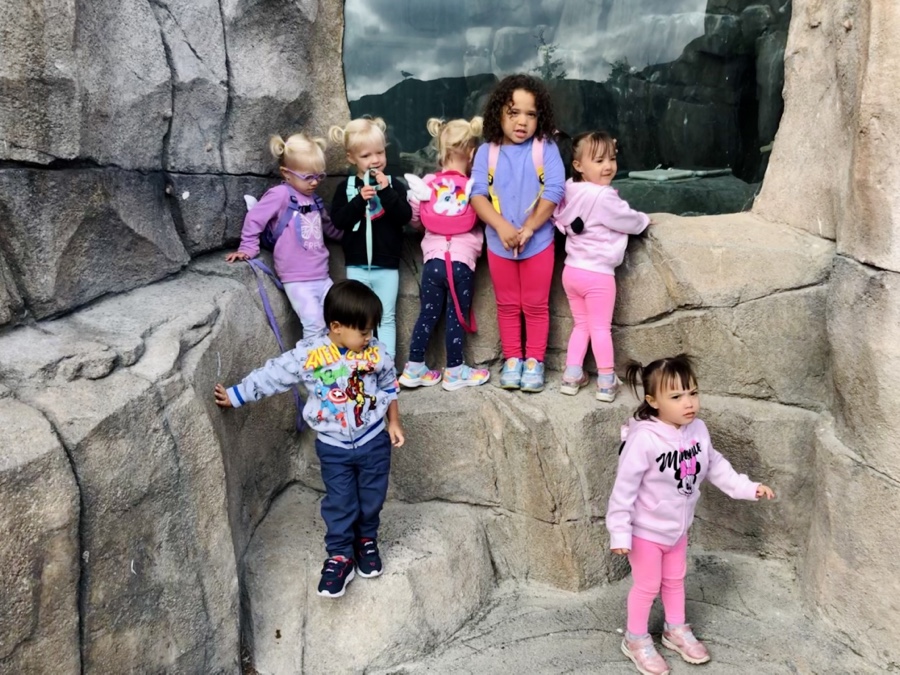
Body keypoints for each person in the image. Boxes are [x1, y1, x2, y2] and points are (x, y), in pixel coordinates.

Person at [214, 280, 405, 599]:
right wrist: (237, 395)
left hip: (373, 441)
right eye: (363, 331)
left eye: (371, 331)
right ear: (337, 327)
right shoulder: (310, 355)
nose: (369, 337)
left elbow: (389, 384)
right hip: (333, 448)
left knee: (372, 496)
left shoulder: (375, 352)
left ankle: (366, 541)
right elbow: (274, 374)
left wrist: (394, 422)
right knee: (341, 501)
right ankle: (340, 556)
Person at [606, 354, 775, 674]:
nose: (689, 402)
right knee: (647, 585)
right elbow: (623, 490)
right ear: (653, 401)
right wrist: (619, 532)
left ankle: (675, 628)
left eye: (693, 392)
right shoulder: (643, 440)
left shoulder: (697, 429)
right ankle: (636, 638)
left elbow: (714, 464)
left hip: (677, 529)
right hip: (645, 531)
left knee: (674, 580)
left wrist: (747, 487)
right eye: (676, 396)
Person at [469, 74, 565, 393]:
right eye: (514, 112)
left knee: (536, 305)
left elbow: (554, 190)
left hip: (538, 242)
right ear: (499, 113)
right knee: (508, 305)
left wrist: (530, 228)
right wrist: (501, 226)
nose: (522, 121)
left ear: (540, 118)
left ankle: (534, 361)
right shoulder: (487, 152)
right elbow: (477, 195)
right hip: (499, 244)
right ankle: (513, 359)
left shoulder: (545, 148)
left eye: (531, 114)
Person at [553, 131, 650, 402]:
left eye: (612, 159)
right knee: (600, 328)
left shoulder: (569, 190)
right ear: (578, 165)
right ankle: (606, 380)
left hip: (571, 271)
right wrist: (644, 220)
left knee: (581, 325)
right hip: (598, 275)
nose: (608, 166)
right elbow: (627, 220)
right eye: (598, 160)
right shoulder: (603, 197)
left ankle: (572, 375)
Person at [399, 116, 490, 391]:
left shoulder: (427, 183)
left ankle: (414, 367)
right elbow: (482, 217)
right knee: (455, 317)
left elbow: (415, 218)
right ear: (472, 154)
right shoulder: (474, 185)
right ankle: (454, 371)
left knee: (427, 314)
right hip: (462, 262)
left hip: (433, 262)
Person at [226, 132, 341, 337]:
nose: (315, 182)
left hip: (322, 275)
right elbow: (254, 219)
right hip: (297, 278)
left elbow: (329, 228)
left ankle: (330, 357)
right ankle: (311, 358)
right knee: (314, 325)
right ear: (286, 173)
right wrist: (248, 247)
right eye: (308, 177)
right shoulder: (280, 195)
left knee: (336, 320)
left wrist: (351, 236)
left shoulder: (314, 199)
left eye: (319, 176)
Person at [329, 117, 412, 359]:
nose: (375, 160)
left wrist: (386, 191)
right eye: (366, 155)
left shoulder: (394, 185)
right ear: (351, 158)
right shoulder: (346, 187)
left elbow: (404, 216)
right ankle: (358, 365)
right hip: (356, 265)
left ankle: (386, 365)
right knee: (357, 318)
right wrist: (358, 201)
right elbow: (339, 221)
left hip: (387, 264)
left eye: (380, 152)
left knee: (386, 317)